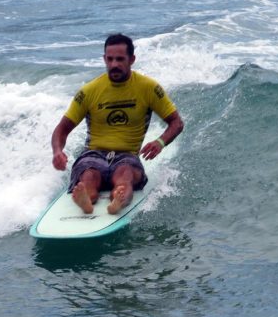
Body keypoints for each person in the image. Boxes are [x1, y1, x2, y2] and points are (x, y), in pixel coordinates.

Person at [51, 33, 183, 215]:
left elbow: (176, 122)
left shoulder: (148, 88)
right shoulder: (89, 91)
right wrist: (58, 151)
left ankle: (118, 201)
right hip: (94, 153)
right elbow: (62, 129)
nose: (114, 64)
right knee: (89, 176)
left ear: (132, 59)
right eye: (110, 59)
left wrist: (160, 142)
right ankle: (86, 200)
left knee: (125, 175)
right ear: (104, 59)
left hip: (127, 155)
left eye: (120, 59)